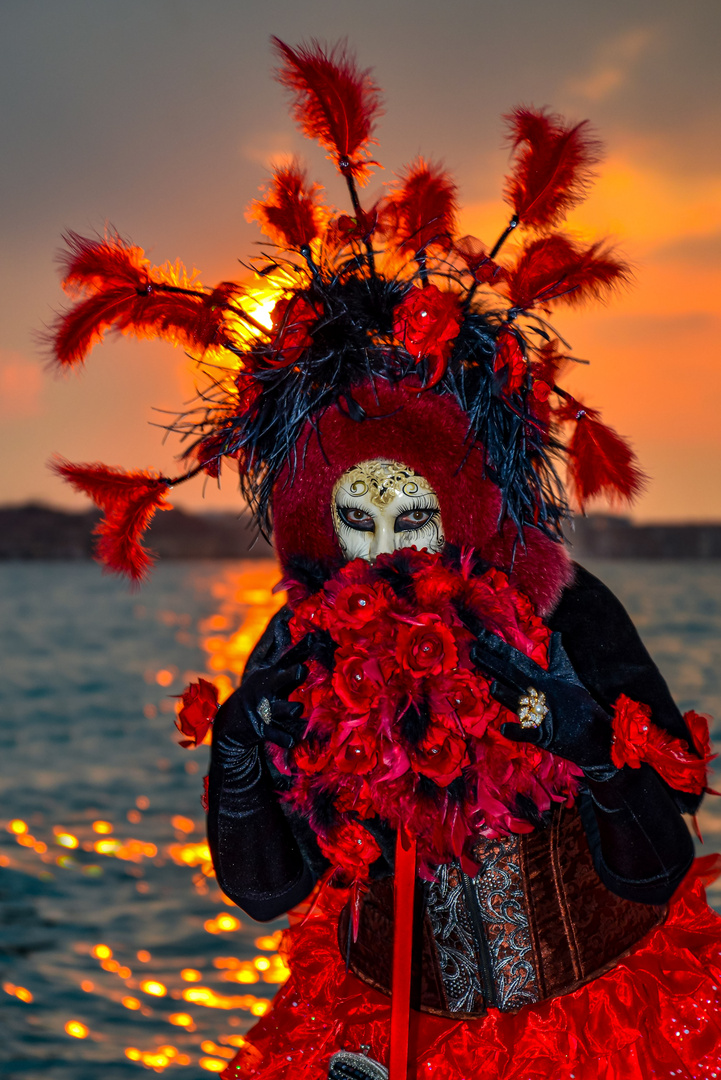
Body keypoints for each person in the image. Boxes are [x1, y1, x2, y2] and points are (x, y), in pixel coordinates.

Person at [49, 38, 721, 1080]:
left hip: (592, 1024)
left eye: (408, 516)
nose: (385, 553)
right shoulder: (304, 637)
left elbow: (658, 859)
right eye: (354, 527)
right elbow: (269, 890)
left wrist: (580, 733)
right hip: (372, 1036)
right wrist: (239, 756)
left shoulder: (563, 609)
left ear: (455, 503)